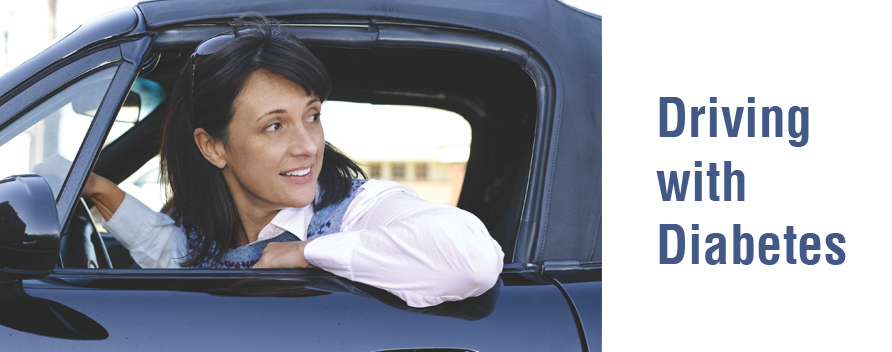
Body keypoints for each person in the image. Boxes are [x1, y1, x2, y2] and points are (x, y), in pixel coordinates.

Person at [82, 15, 503, 308]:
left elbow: (471, 259)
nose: (308, 146)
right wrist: (98, 189)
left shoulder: (358, 209)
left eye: (312, 117)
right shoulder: (211, 234)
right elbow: (174, 255)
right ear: (213, 147)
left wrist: (307, 252)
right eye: (274, 127)